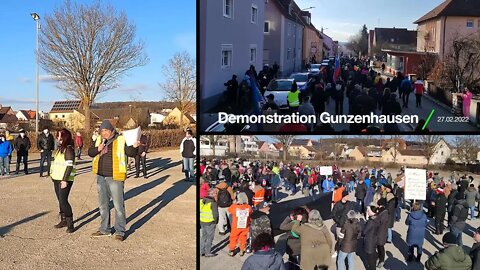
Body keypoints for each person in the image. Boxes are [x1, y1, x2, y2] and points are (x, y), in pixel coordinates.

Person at [87, 120, 139, 241]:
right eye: (102, 131)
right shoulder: (99, 140)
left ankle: (120, 231)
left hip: (115, 176)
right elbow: (90, 152)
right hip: (101, 176)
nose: (104, 133)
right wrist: (98, 149)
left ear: (111, 130)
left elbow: (129, 152)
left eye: (106, 130)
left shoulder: (120, 139)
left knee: (118, 205)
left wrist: (135, 147)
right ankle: (105, 229)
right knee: (103, 205)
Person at [50, 128, 76, 233]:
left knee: (63, 201)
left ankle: (70, 224)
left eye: (60, 136)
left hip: (65, 179)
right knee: (60, 201)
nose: (58, 138)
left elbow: (69, 166)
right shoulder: (60, 149)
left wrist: (65, 180)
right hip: (56, 178)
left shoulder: (69, 149)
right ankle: (63, 219)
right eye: (57, 136)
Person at [228, 192, 253, 257]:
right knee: (243, 238)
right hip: (245, 225)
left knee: (233, 238)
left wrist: (235, 203)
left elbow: (229, 210)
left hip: (236, 226)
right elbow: (251, 213)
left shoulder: (235, 207)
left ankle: (231, 250)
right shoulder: (248, 207)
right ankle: (242, 250)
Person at [332, 190, 356, 257]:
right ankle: (337, 251)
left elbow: (352, 212)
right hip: (340, 226)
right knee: (339, 240)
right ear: (343, 196)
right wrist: (338, 221)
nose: (348, 196)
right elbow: (333, 214)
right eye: (347, 195)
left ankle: (346, 252)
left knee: (347, 240)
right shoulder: (337, 204)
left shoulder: (350, 204)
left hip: (348, 226)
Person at [200, 188, 219, 257]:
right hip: (210, 222)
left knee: (203, 236)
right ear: (212, 194)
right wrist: (216, 221)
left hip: (202, 221)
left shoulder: (202, 201)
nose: (216, 195)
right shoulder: (213, 203)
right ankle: (207, 252)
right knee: (209, 238)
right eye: (215, 193)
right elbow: (215, 214)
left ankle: (201, 251)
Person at [363, 205, 379, 270]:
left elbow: (364, 231)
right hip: (374, 240)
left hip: (369, 242)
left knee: (370, 260)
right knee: (373, 257)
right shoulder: (377, 218)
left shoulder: (371, 222)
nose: (367, 212)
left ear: (372, 212)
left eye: (368, 211)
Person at [375, 198, 390, 269]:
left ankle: (382, 260)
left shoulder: (384, 213)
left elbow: (380, 222)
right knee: (378, 246)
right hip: (380, 232)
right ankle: (379, 257)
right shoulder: (382, 212)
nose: (378, 206)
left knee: (380, 247)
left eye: (379, 205)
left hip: (381, 233)